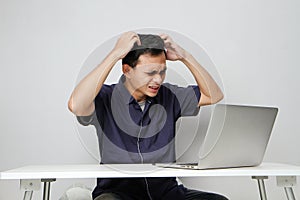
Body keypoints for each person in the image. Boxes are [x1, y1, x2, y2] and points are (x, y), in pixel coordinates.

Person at [68, 31, 228, 200]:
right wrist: (114, 55)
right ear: (127, 70)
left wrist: (184, 56)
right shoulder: (106, 97)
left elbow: (213, 95)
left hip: (165, 193)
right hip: (118, 194)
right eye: (150, 73)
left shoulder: (170, 96)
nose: (158, 80)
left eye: (162, 72)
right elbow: (76, 105)